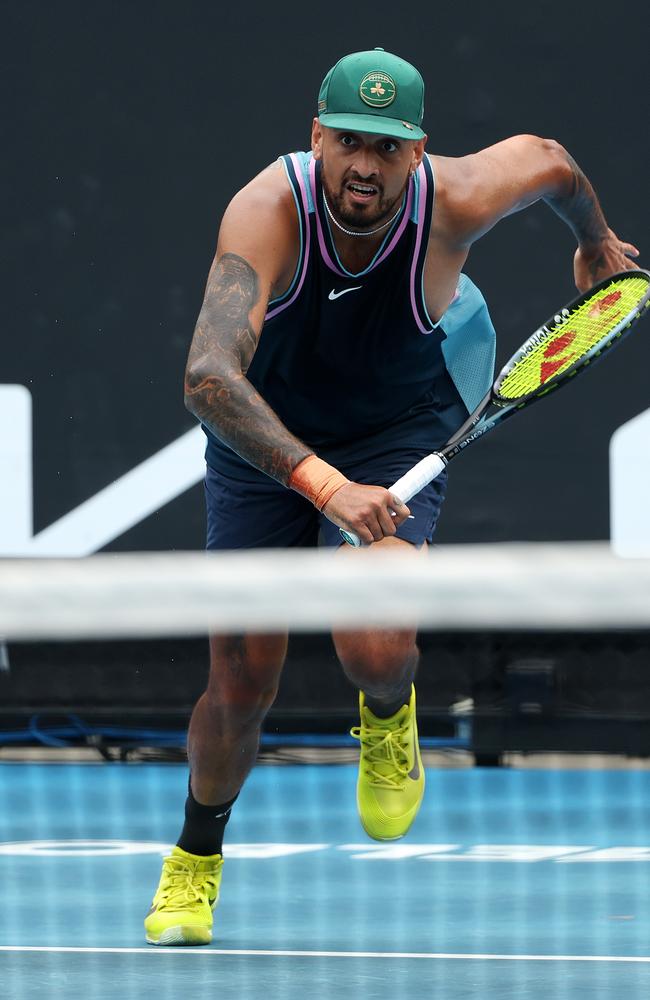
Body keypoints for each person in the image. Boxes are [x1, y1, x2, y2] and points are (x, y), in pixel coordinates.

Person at [144, 48, 640, 946]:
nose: (363, 165)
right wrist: (330, 489)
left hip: (402, 423)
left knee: (374, 640)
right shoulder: (266, 210)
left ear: (417, 153)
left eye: (386, 145)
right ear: (316, 136)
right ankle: (195, 859)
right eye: (347, 142)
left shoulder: (453, 199)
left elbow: (553, 160)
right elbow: (209, 378)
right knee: (241, 679)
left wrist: (594, 242)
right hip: (268, 433)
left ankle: (388, 712)